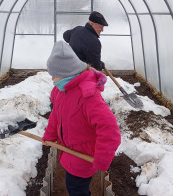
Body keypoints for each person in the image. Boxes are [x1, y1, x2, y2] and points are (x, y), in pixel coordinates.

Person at [42, 40, 121, 196]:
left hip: (83, 157)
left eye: (54, 75)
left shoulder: (89, 97)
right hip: (69, 151)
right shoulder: (61, 91)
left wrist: (102, 159)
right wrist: (49, 136)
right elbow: (56, 116)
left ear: (66, 74)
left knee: (76, 189)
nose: (52, 79)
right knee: (74, 186)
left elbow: (110, 131)